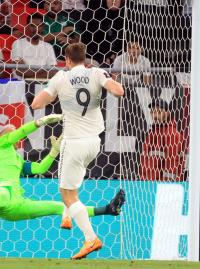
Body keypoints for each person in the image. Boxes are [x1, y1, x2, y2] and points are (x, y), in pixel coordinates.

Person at [31, 43, 125, 259]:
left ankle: (90, 238)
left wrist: (55, 94)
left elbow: (36, 104)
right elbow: (119, 90)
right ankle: (67, 215)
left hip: (73, 142)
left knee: (66, 193)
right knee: (74, 184)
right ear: (85, 58)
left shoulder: (60, 78)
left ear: (66, 59)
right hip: (94, 142)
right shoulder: (96, 72)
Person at [0, 119, 126, 226]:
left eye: (15, 133)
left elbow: (40, 169)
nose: (16, 136)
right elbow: (21, 131)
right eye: (12, 133)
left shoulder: (18, 161)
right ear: (2, 138)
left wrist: (54, 152)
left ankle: (107, 209)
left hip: (17, 206)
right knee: (2, 191)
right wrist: (40, 122)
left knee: (62, 207)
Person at [140, 99, 185, 181]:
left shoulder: (172, 133)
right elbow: (145, 159)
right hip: (147, 183)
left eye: (159, 112)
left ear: (167, 113)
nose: (155, 116)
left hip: (164, 185)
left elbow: (172, 162)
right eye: (152, 112)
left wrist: (167, 183)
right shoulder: (151, 132)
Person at [11, 13, 57, 79]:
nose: (36, 29)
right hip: (22, 84)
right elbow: (20, 71)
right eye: (32, 26)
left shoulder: (48, 46)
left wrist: (30, 74)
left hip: (42, 84)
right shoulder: (18, 43)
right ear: (27, 26)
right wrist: (44, 71)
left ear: (43, 27)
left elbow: (53, 71)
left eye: (39, 26)